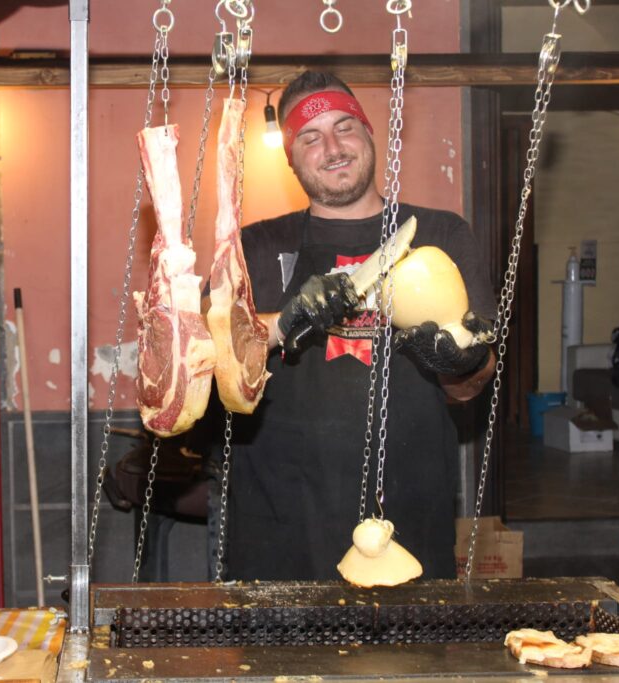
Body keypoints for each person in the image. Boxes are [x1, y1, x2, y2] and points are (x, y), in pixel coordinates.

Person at [200, 70, 498, 581]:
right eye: (310, 138)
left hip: (409, 515)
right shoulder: (256, 247)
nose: (333, 148)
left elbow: (471, 386)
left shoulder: (441, 235)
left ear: (369, 132)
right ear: (291, 158)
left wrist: (459, 361)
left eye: (345, 128)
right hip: (279, 525)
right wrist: (284, 322)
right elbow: (203, 358)